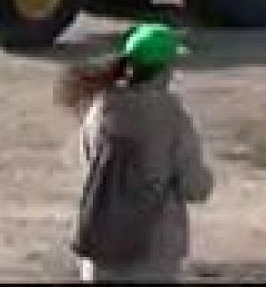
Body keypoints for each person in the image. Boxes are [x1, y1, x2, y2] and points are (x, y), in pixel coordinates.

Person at [59, 23, 214, 283]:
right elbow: (195, 187)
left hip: (101, 242)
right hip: (152, 251)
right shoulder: (170, 118)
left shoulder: (100, 110)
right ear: (165, 69)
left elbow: (88, 162)